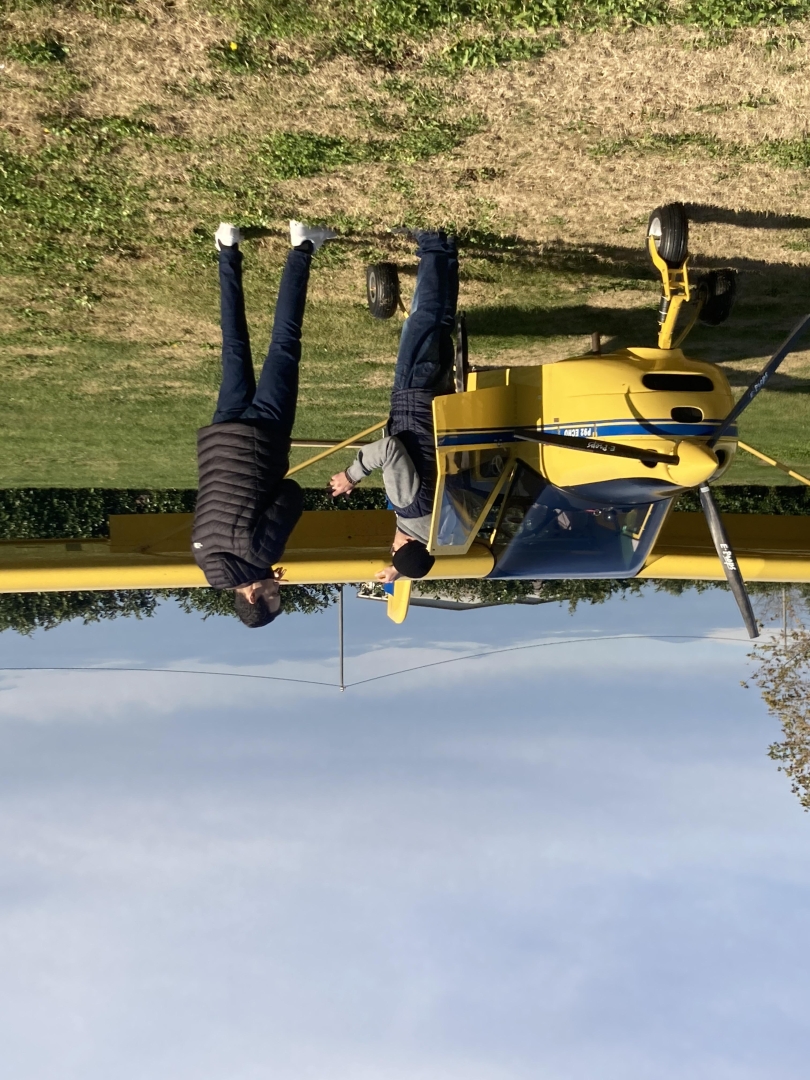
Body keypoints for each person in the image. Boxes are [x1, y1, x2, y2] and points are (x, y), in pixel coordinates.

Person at [192, 219, 336, 627]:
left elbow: (291, 494)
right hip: (221, 436)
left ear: (254, 594)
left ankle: (302, 246)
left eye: (273, 593)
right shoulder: (203, 557)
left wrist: (269, 557)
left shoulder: (261, 555)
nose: (277, 586)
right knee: (233, 345)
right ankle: (227, 248)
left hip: (264, 438)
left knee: (285, 343)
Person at [329, 230, 458, 582]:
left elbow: (417, 552)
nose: (392, 545)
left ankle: (446, 251)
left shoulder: (437, 522)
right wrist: (351, 476)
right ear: (404, 544)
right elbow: (388, 449)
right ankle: (433, 242)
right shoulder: (407, 505)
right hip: (414, 398)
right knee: (423, 320)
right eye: (395, 549)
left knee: (440, 324)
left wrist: (400, 570)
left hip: (437, 404)